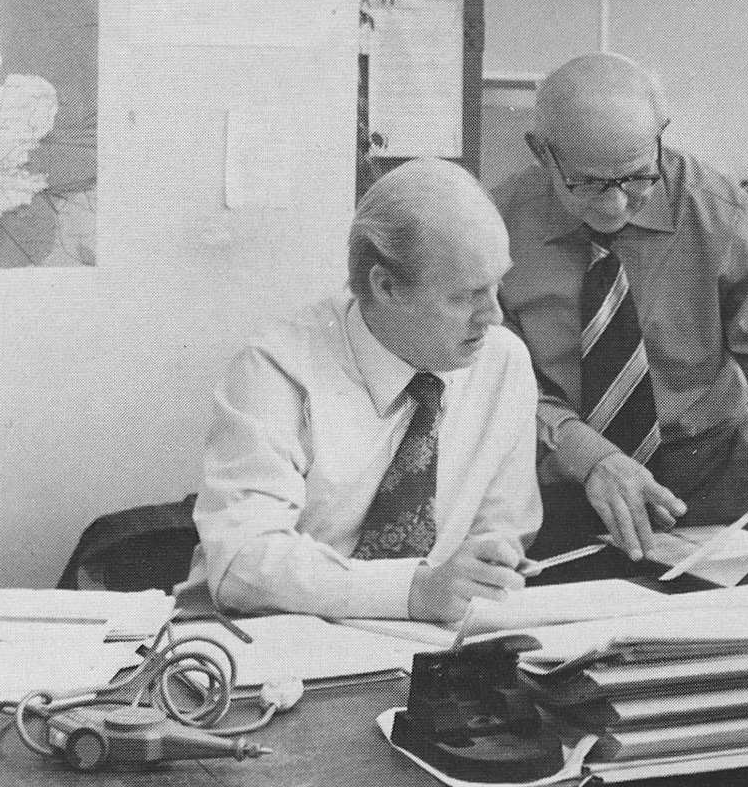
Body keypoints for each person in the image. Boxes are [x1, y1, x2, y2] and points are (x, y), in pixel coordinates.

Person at [493, 53, 748, 557]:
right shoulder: (495, 231)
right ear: (540, 151)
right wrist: (589, 457)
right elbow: (492, 384)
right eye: (589, 183)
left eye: (638, 177)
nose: (616, 205)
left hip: (713, 479)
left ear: (661, 135)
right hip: (558, 482)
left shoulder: (718, 212)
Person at [190, 158, 540, 622]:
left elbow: (502, 532)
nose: (493, 315)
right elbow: (243, 562)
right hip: (272, 638)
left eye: (497, 285)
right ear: (387, 288)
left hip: (426, 642)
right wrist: (410, 592)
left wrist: (488, 568)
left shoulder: (503, 363)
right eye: (464, 296)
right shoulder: (277, 368)